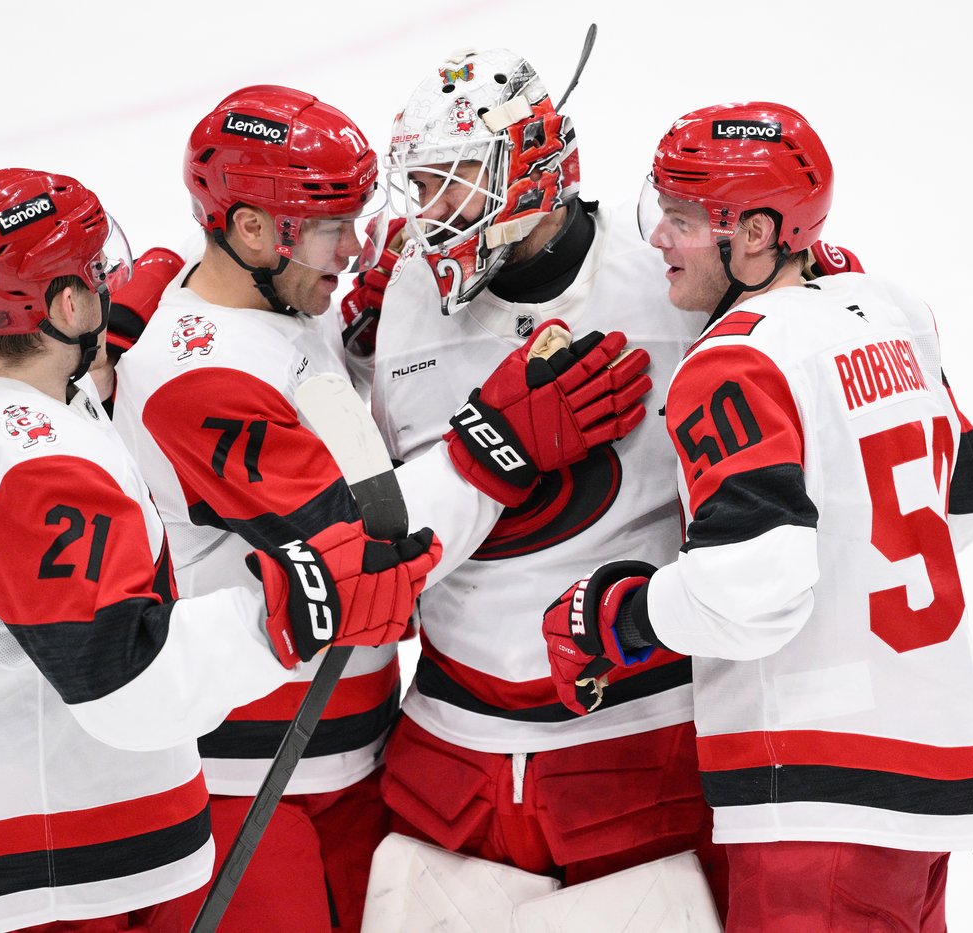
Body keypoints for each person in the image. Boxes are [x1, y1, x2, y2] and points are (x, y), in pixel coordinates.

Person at [109, 85, 648, 932]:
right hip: (249, 789)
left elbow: (320, 413)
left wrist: (359, 345)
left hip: (351, 765)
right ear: (252, 229)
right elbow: (363, 558)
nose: (359, 248)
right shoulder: (197, 379)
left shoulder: (270, 298)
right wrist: (496, 442)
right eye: (334, 227)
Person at [0, 167, 441, 933]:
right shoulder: (37, 473)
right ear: (65, 306)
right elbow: (129, 683)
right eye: (98, 274)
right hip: (43, 869)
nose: (117, 280)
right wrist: (296, 606)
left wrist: (117, 327)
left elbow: (54, 392)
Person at [542, 102, 973, 931]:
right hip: (938, 772)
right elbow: (967, 503)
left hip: (820, 796)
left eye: (684, 220)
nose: (658, 239)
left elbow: (752, 588)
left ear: (756, 233)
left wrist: (621, 616)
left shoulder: (737, 357)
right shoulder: (893, 311)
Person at [359, 46, 733, 907]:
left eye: (450, 182)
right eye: (419, 186)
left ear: (529, 170)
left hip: (638, 750)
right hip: (447, 760)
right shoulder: (403, 297)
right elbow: (377, 511)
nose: (427, 214)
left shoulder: (670, 286)